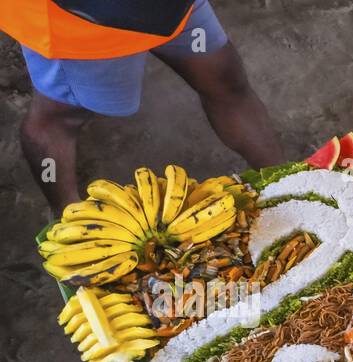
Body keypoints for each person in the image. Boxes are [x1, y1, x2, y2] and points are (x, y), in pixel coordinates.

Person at [2, 0, 285, 211]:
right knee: (60, 117)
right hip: (83, 18)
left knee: (224, 77)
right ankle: (69, 221)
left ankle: (287, 183)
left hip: (170, 7)